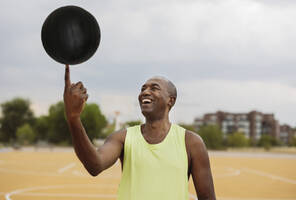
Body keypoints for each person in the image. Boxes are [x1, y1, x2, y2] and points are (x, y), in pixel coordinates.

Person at [63, 64, 216, 200]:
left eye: (154, 88)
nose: (145, 92)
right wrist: (74, 118)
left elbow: (207, 198)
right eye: (143, 89)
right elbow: (94, 165)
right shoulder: (123, 137)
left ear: (171, 100)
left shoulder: (191, 142)